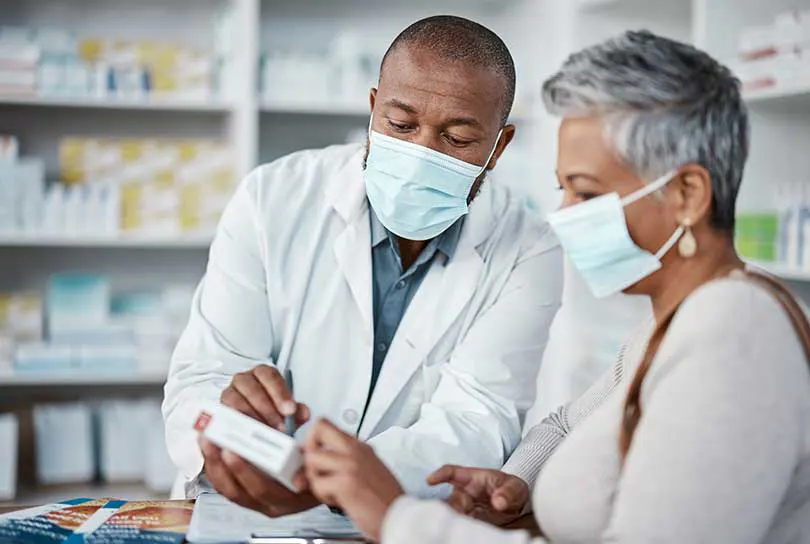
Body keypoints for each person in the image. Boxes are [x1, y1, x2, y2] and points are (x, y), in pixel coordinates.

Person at [301, 30, 810, 543]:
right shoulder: (674, 321)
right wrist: (517, 487)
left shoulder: (736, 337)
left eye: (587, 192)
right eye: (562, 188)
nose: (564, 216)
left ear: (687, 194)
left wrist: (398, 519)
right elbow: (566, 427)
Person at [162, 15, 563, 517]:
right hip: (239, 510)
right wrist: (224, 421)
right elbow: (204, 373)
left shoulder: (529, 248)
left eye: (457, 139)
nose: (421, 154)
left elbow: (479, 420)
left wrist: (337, 476)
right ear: (374, 110)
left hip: (395, 517)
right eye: (400, 125)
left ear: (498, 147)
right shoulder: (273, 198)